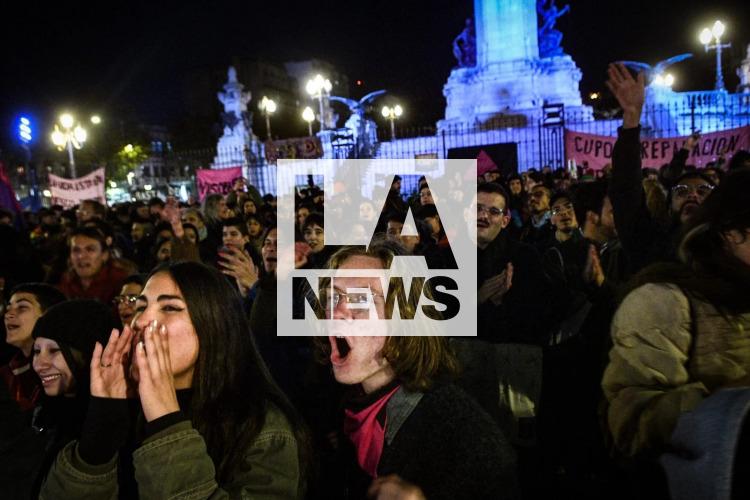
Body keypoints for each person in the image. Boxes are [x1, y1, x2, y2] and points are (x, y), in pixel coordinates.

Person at [39, 261, 308, 499]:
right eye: (140, 307)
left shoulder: (260, 427)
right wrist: (98, 440)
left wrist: (165, 422)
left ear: (213, 325)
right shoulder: (124, 410)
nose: (141, 321)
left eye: (169, 307)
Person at [320, 242, 519, 499]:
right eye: (333, 297)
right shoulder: (341, 405)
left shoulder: (458, 434)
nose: (336, 313)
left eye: (362, 299)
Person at [602, 168, 750, 491]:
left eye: (702, 191)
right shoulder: (665, 300)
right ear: (730, 231)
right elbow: (632, 422)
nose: (692, 196)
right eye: (682, 190)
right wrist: (731, 409)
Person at [0, 299, 117, 500]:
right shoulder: (39, 418)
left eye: (54, 351)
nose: (39, 364)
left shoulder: (110, 427)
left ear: (87, 353)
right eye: (37, 351)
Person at [1, 283, 66, 411]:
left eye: (22, 307)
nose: (8, 315)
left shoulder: (64, 369)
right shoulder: (7, 374)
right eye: (8, 309)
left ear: (49, 315)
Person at [58, 226, 129, 304]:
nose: (81, 256)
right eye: (76, 250)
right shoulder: (67, 280)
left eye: (90, 249)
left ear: (104, 255)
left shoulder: (120, 282)